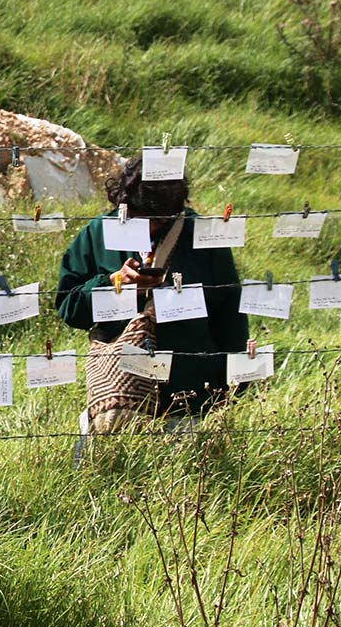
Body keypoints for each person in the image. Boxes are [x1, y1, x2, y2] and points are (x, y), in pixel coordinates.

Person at [56, 155, 247, 430]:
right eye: (138, 218)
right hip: (117, 402)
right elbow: (69, 308)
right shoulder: (99, 232)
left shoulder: (205, 237)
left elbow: (230, 317)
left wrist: (233, 387)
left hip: (189, 401)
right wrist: (115, 284)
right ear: (124, 204)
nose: (147, 228)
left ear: (175, 210)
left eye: (156, 220)